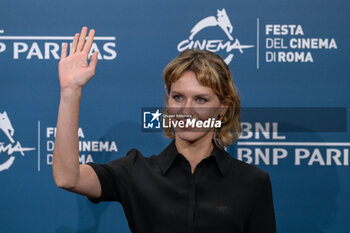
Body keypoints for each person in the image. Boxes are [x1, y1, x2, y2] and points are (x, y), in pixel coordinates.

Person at [53, 26, 277, 233]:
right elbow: (67, 178)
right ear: (168, 100)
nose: (186, 110)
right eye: (178, 97)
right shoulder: (136, 171)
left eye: (201, 99)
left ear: (223, 107)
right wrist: (70, 92)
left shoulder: (252, 182)